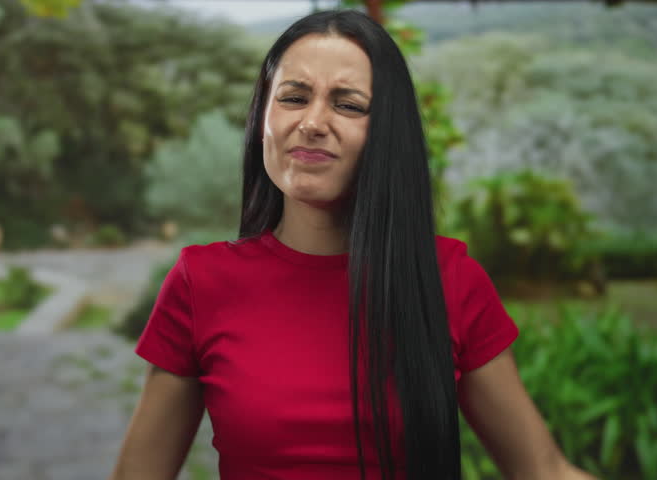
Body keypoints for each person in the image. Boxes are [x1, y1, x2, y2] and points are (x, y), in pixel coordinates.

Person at [108, 9, 596, 480]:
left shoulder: (449, 278)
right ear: (262, 118)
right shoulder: (201, 282)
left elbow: (543, 471)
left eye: (348, 105)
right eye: (294, 97)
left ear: (387, 132)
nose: (313, 122)